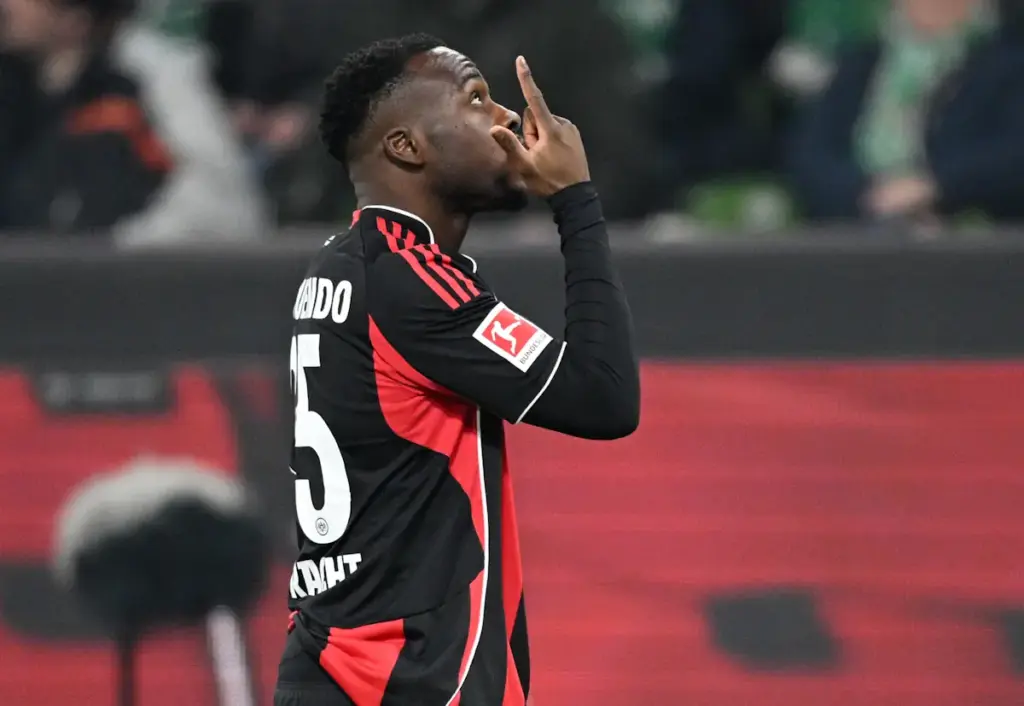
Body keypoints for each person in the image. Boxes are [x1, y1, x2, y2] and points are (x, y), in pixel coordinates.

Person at [276, 34, 640, 706]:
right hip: (410, 674)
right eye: (476, 99)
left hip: (329, 664)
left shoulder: (340, 264)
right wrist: (576, 200)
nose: (505, 119)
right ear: (406, 147)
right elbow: (605, 398)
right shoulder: (408, 281)